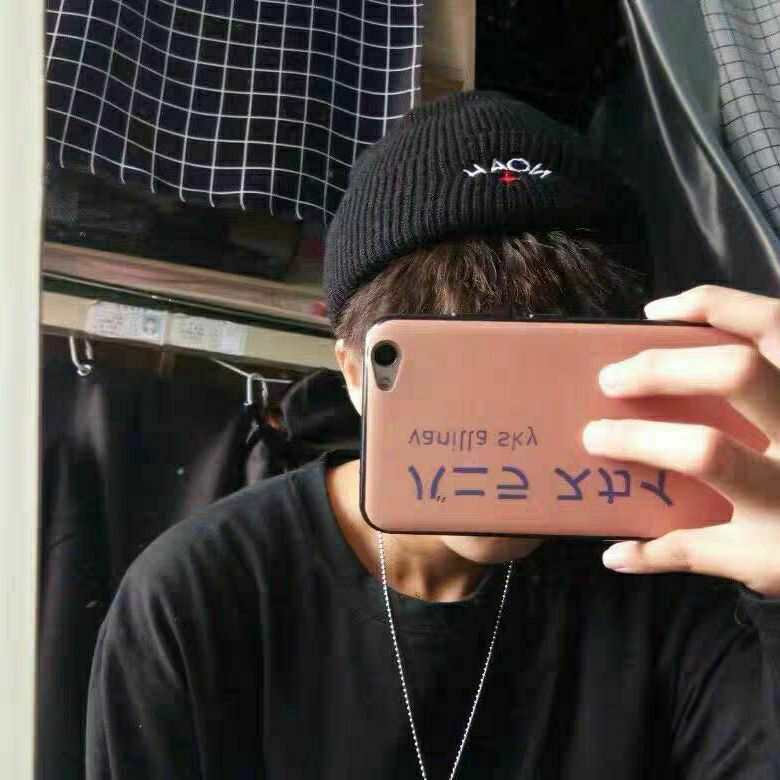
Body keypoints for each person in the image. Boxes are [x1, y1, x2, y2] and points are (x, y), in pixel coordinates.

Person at [86, 92, 780, 779]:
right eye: (465, 371)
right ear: (355, 374)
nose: (508, 421)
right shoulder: (200, 597)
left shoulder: (679, 576)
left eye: (553, 368)